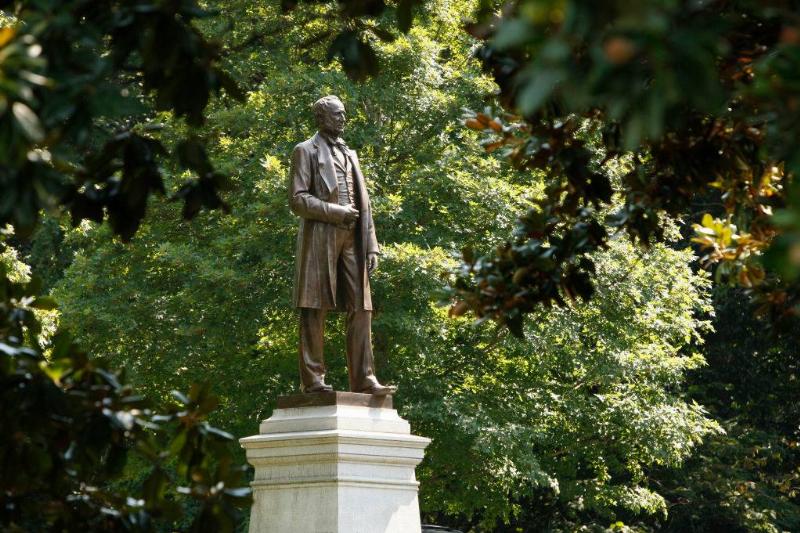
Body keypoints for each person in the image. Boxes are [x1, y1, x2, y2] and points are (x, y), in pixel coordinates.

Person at [288, 95, 396, 395]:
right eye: (337, 115)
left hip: (354, 238)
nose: (343, 119)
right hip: (321, 237)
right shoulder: (305, 151)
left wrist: (372, 244)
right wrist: (336, 212)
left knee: (362, 307)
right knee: (314, 307)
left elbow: (365, 203)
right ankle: (313, 380)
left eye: (344, 114)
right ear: (321, 118)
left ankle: (364, 378)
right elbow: (297, 200)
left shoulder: (350, 153)